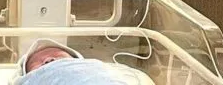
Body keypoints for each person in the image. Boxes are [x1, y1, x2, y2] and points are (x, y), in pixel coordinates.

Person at [12, 39, 155, 85]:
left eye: (59, 56)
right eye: (36, 62)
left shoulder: (95, 67)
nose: (50, 59)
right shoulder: (35, 80)